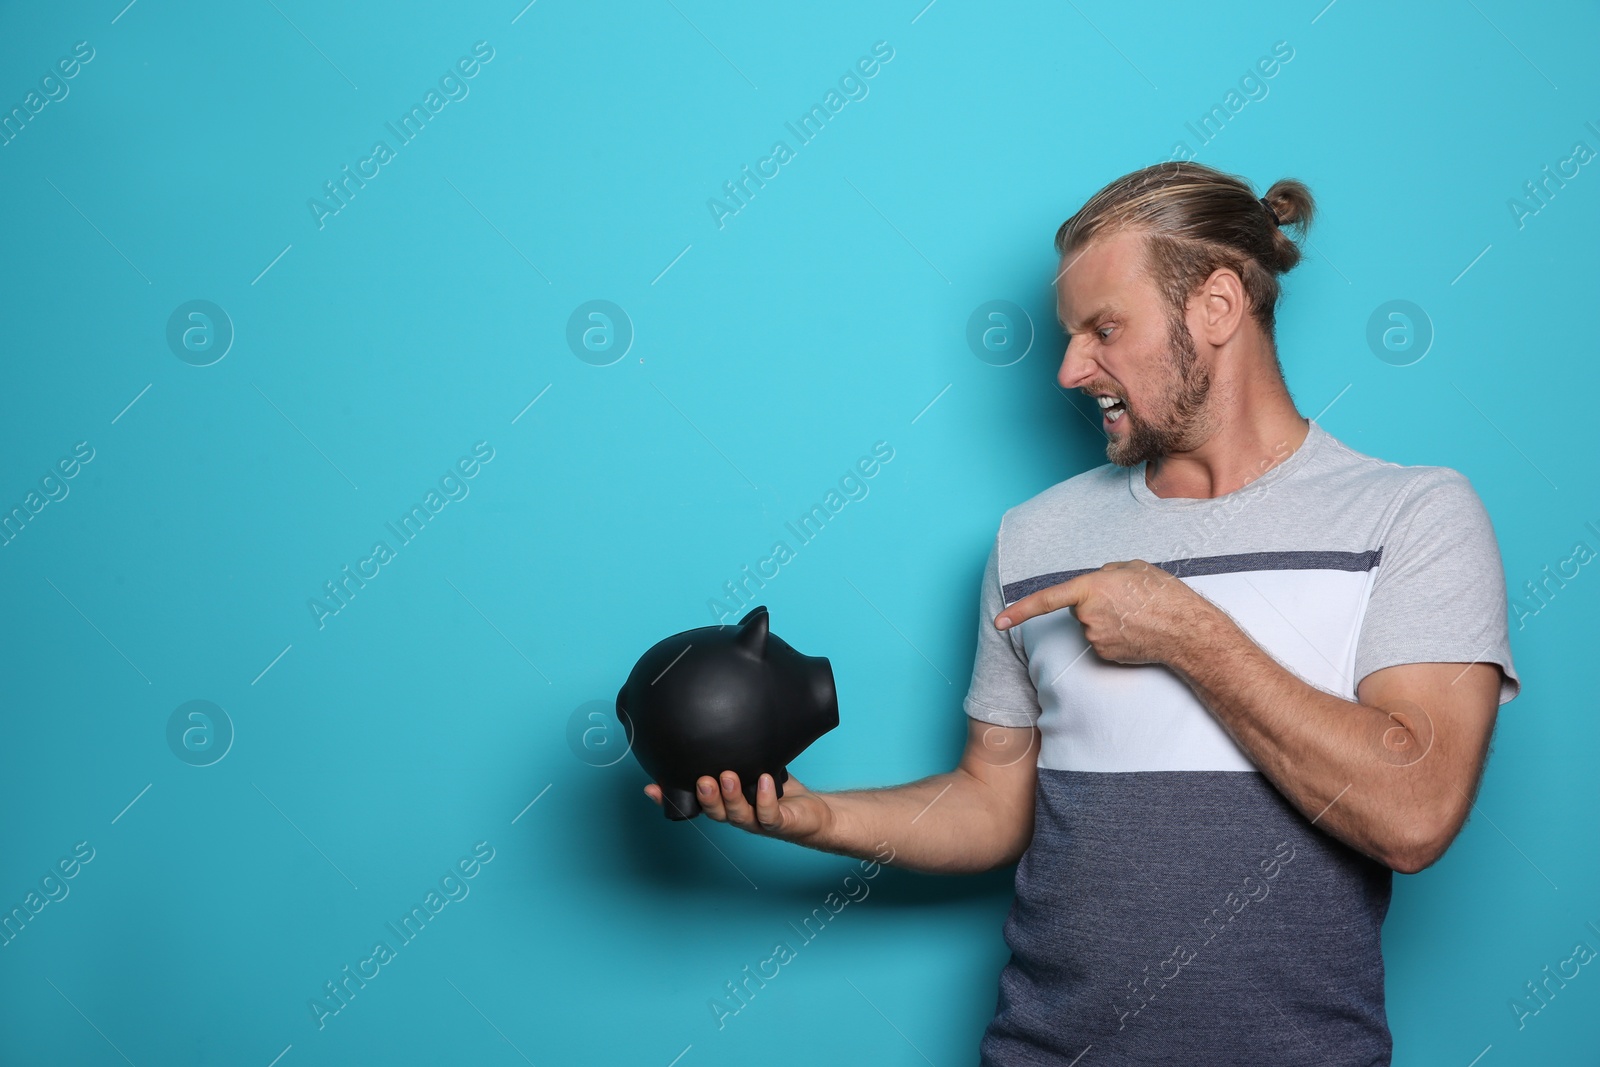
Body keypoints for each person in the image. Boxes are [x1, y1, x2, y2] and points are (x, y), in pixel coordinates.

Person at [643, 161, 1520, 1064]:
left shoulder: (1411, 515)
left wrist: (1186, 631)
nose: (1068, 369)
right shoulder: (1036, 536)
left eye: (1105, 328)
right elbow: (993, 802)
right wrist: (815, 820)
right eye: (1070, 336)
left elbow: (1414, 812)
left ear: (1218, 308)